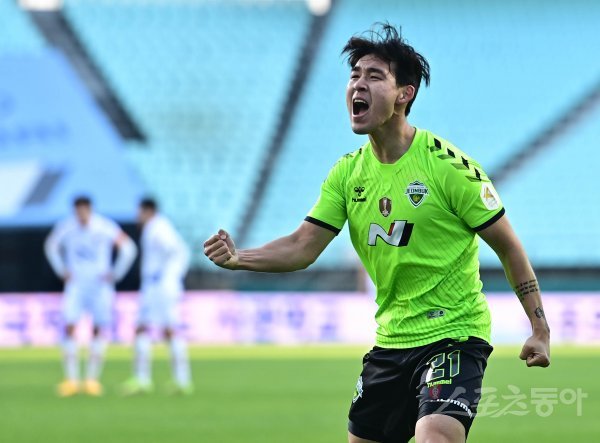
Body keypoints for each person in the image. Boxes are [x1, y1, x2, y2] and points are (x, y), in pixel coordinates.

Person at [204, 23, 550, 443]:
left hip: (455, 336)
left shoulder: (448, 168)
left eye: (374, 76)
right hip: (391, 343)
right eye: (354, 75)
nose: (358, 85)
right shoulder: (347, 174)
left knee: (436, 437)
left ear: (404, 94)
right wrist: (240, 258)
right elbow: (301, 246)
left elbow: (509, 247)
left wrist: (539, 329)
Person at [45, 195, 137, 397]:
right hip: (76, 285)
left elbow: (128, 248)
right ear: (74, 211)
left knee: (98, 329)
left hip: (100, 285)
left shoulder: (104, 227)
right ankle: (71, 380)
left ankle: (91, 380)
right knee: (70, 326)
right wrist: (61, 270)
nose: (81, 215)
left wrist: (115, 273)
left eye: (84, 210)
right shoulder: (67, 227)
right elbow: (50, 246)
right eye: (78, 211)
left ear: (90, 209)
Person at [121, 198, 192, 395]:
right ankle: (170, 380)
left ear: (148, 211)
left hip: (160, 286)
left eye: (139, 212)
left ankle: (157, 379)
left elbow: (178, 251)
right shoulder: (157, 227)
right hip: (157, 285)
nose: (137, 217)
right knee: (153, 329)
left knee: (161, 330)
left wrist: (169, 275)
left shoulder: (158, 228)